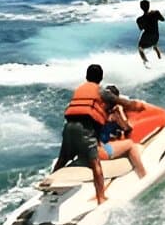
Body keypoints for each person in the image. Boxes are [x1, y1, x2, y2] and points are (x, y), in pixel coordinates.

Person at [55, 64, 145, 203]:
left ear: (86, 76)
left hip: (69, 128)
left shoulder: (80, 90)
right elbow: (126, 119)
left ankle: (52, 184)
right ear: (101, 78)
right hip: (93, 139)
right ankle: (102, 197)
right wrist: (137, 107)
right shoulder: (105, 98)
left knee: (62, 159)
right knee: (99, 161)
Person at [98, 85, 145, 178]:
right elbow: (127, 129)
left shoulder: (97, 110)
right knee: (130, 145)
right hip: (103, 149)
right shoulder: (114, 115)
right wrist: (121, 112)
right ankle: (143, 175)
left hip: (91, 147)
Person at [136, 0, 165, 64]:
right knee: (155, 45)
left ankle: (146, 62)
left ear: (141, 7)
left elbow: (141, 29)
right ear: (149, 6)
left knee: (140, 47)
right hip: (155, 36)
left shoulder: (139, 19)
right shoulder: (155, 13)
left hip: (147, 36)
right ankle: (160, 59)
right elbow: (163, 19)